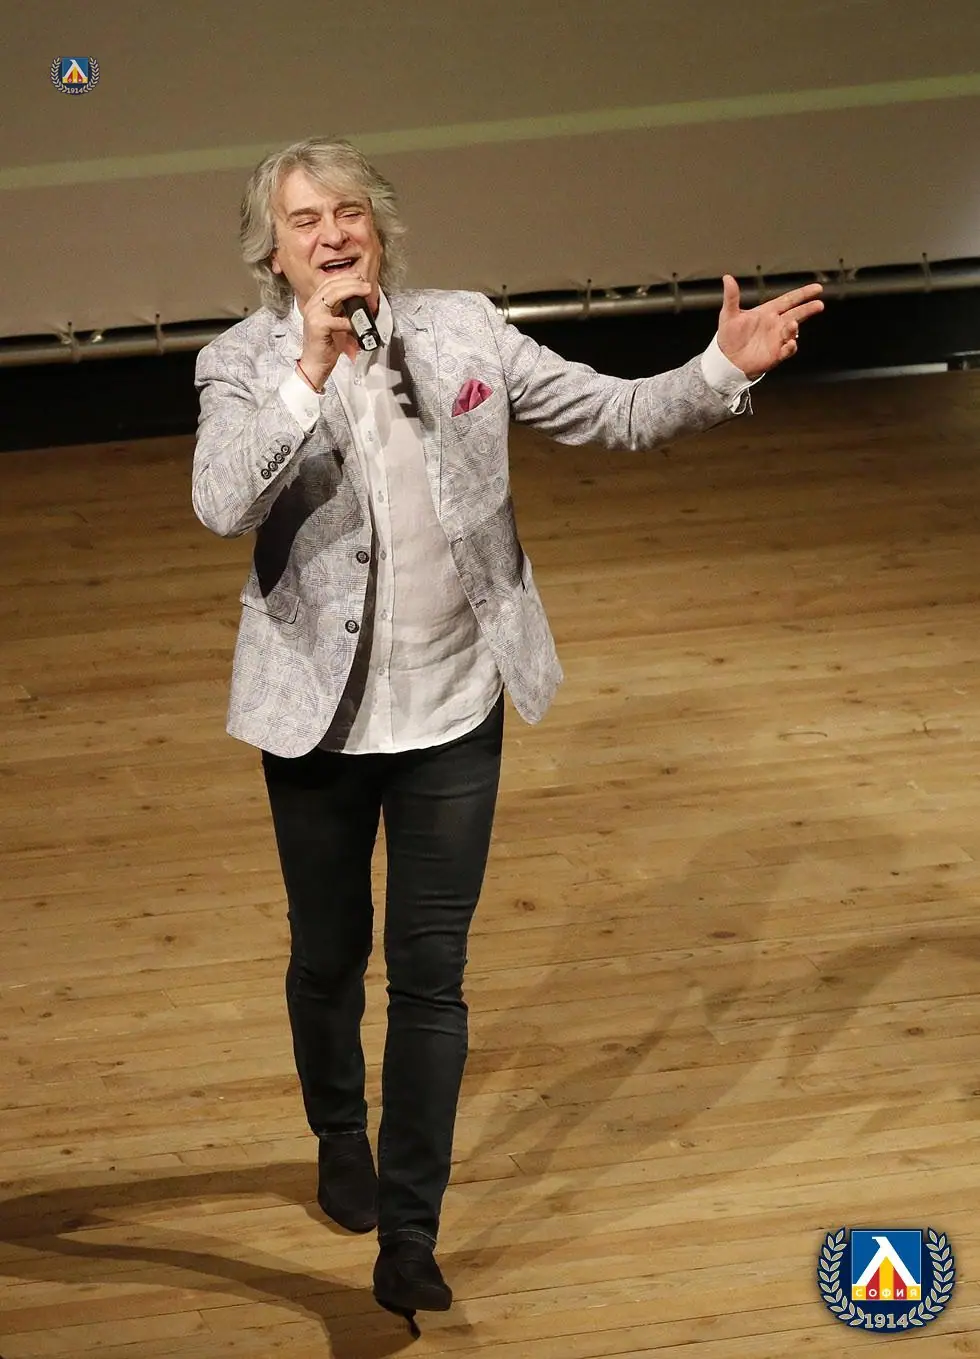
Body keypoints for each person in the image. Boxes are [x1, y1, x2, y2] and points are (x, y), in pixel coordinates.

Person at [192, 136, 822, 1328]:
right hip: (316, 723)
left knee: (431, 978)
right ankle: (340, 1133)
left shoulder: (466, 331)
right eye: (304, 220)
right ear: (272, 254)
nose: (332, 233)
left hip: (453, 709)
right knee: (329, 957)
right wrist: (310, 370)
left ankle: (410, 1238)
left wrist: (716, 370)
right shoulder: (239, 363)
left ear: (378, 227)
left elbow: (613, 413)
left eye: (347, 211)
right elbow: (222, 501)